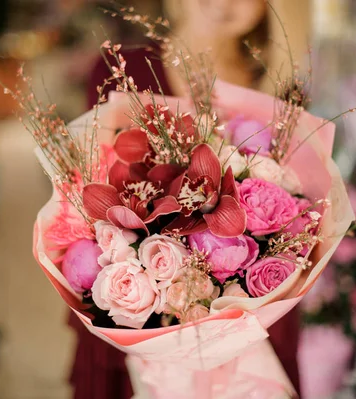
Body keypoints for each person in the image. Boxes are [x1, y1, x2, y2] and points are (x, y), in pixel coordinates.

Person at [68, 1, 312, 398]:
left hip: (248, 341)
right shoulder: (121, 73)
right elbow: (85, 204)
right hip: (135, 324)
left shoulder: (279, 89)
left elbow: (302, 212)